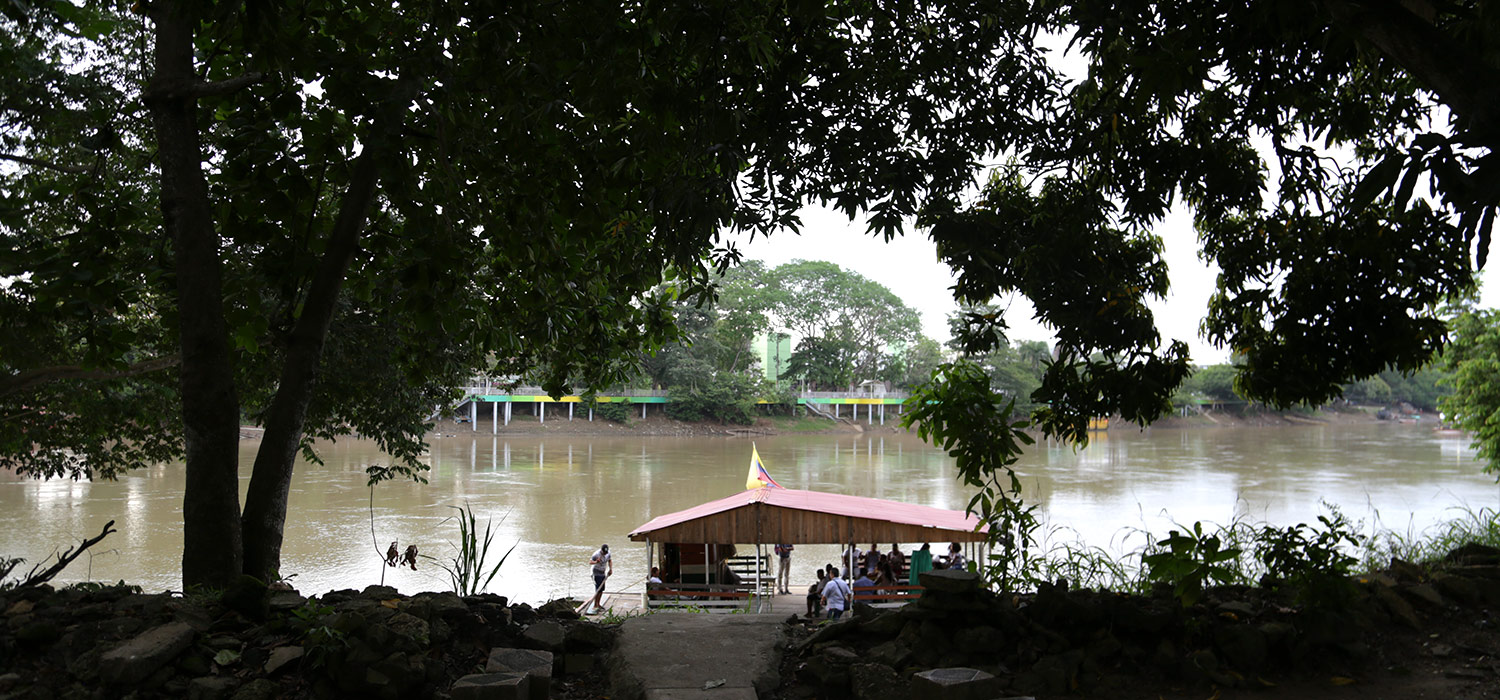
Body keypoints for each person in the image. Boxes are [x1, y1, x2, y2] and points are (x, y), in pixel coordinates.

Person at [588, 543, 612, 614]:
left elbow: (610, 560)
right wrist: (596, 562)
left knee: (601, 589)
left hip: (603, 573)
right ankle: (595, 605)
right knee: (598, 589)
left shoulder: (608, 553)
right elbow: (590, 562)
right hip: (596, 573)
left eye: (606, 552)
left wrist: (610, 569)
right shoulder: (596, 554)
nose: (605, 554)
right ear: (601, 550)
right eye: (604, 552)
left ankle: (598, 604)